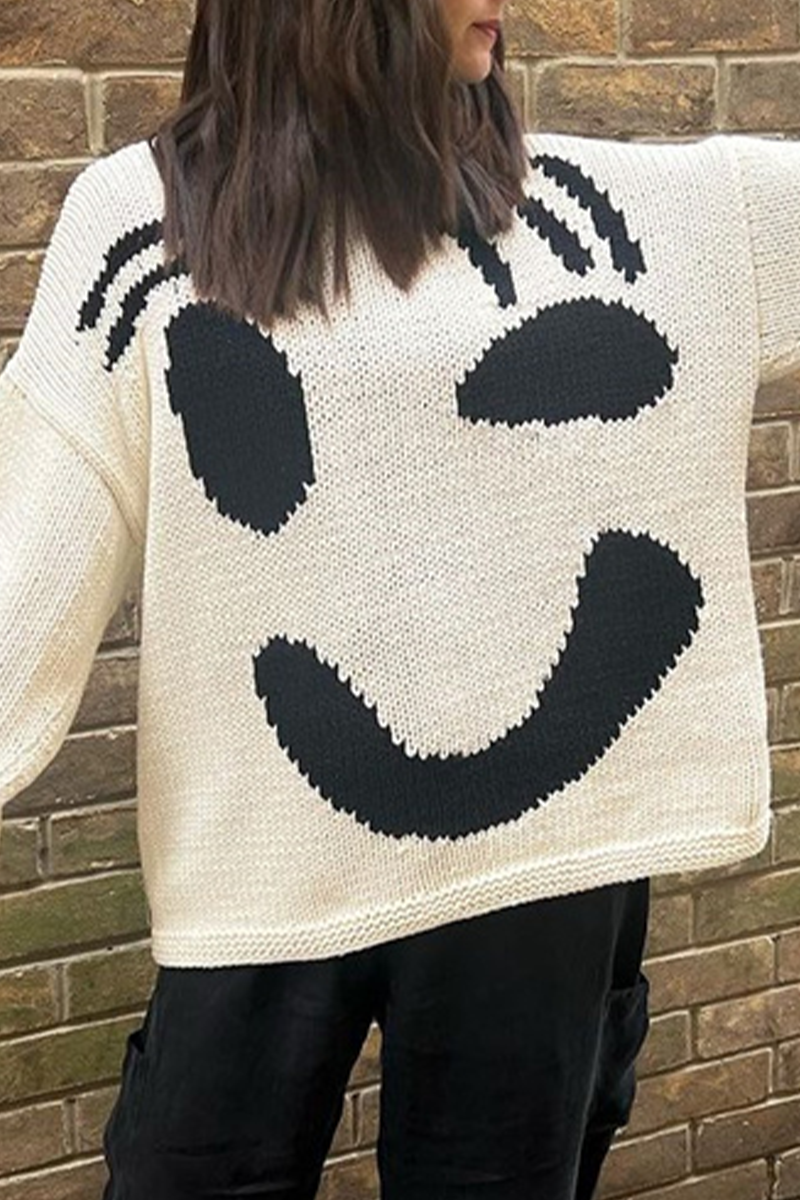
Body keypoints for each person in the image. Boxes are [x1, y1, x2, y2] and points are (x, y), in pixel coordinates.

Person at [0, 0, 793, 1195]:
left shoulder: (606, 211)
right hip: (263, 858)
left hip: (539, 865)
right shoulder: (147, 226)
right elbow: (29, 566)